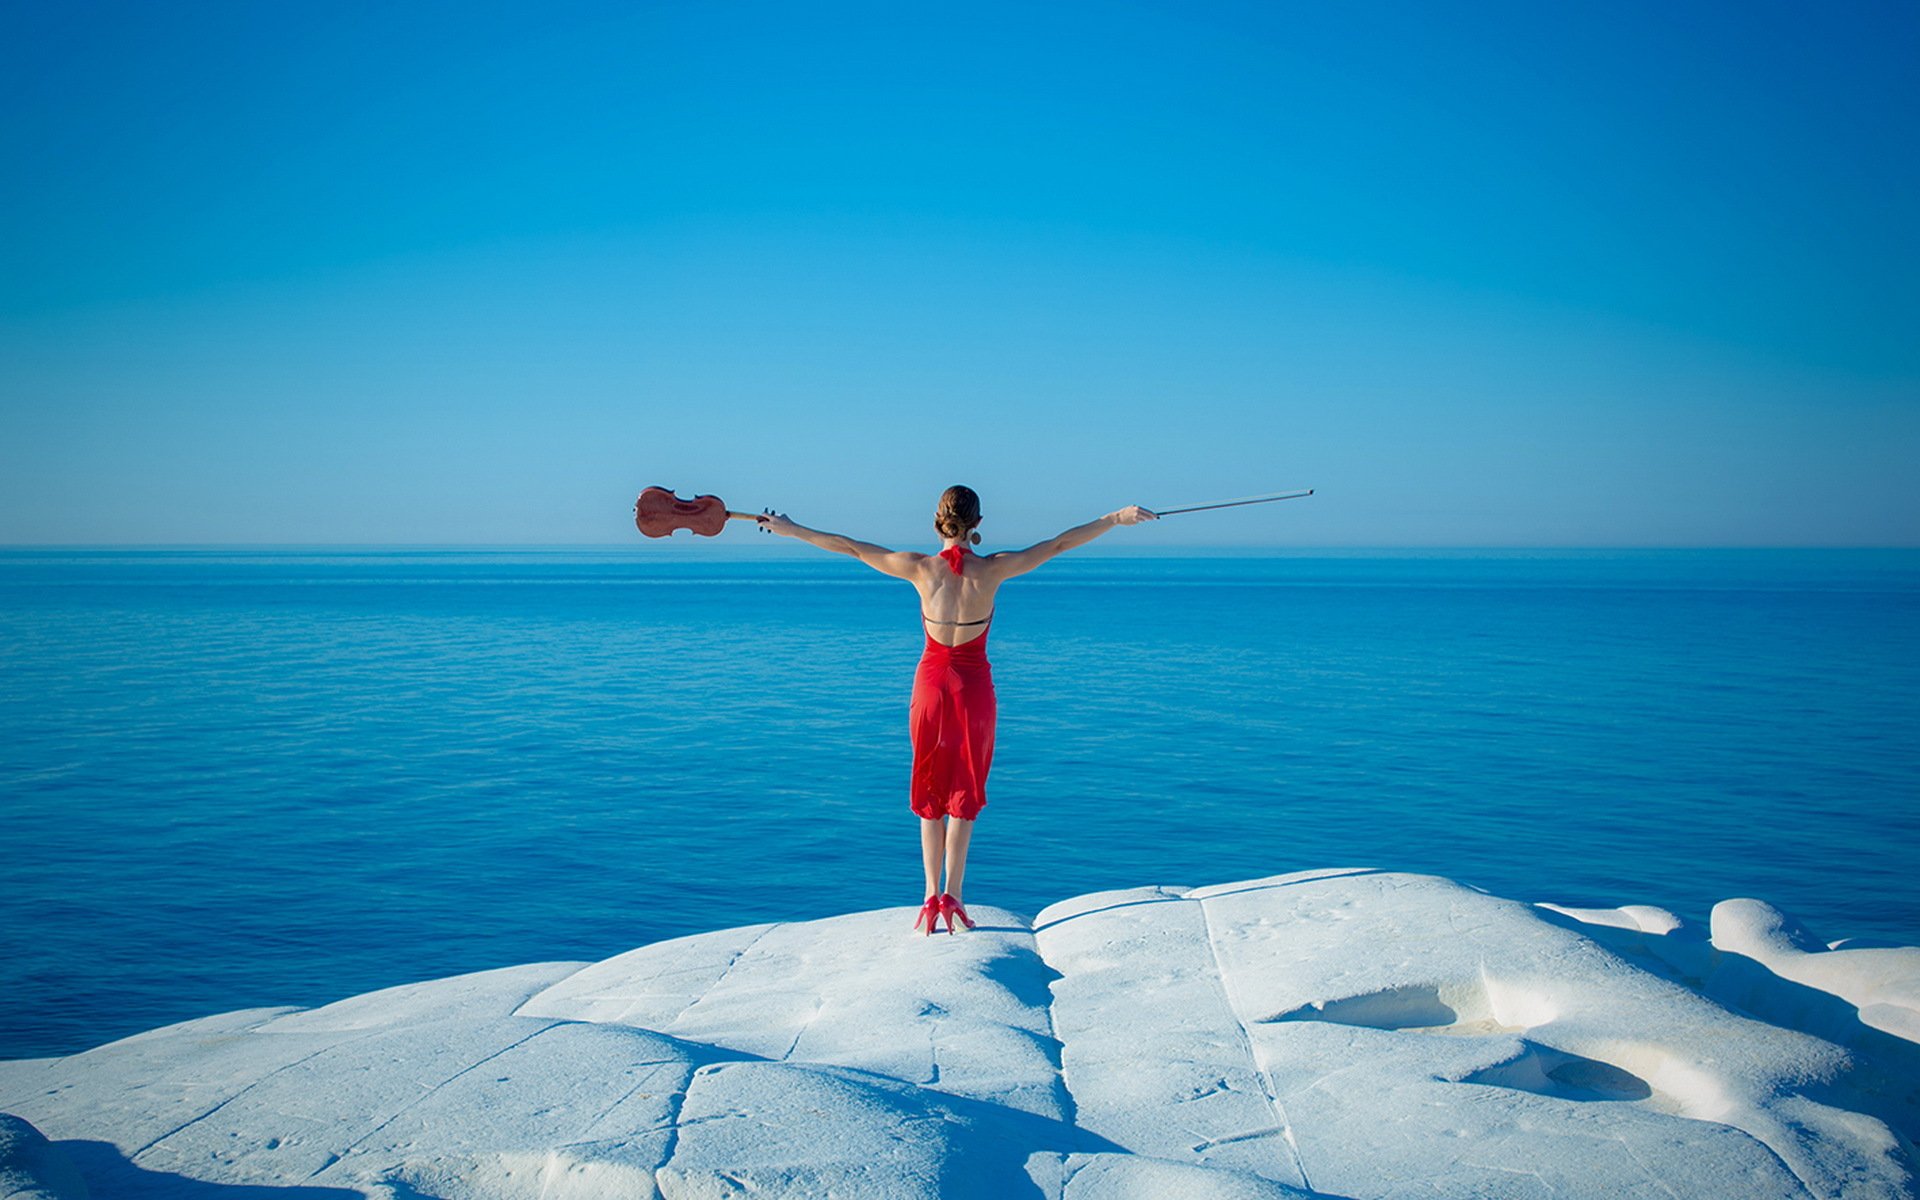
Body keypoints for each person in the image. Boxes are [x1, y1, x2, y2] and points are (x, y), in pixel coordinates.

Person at [758, 485, 1157, 935]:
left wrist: (790, 530)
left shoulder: (918, 569)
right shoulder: (994, 570)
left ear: (936, 520)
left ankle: (929, 897)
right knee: (964, 787)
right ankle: (955, 894)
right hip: (972, 688)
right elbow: (1060, 543)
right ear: (978, 525)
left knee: (930, 787)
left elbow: (849, 546)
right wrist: (1115, 517)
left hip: (930, 686)